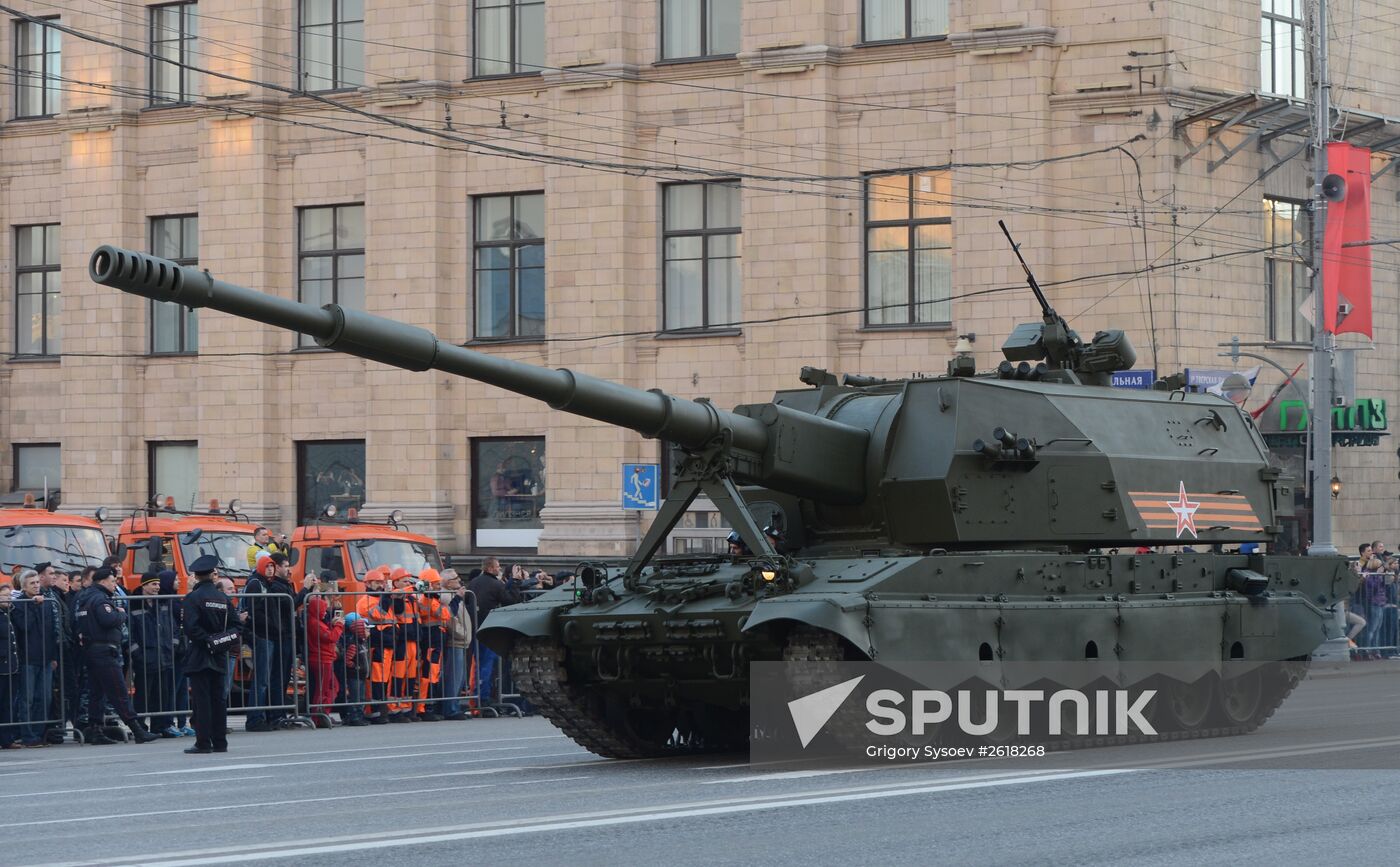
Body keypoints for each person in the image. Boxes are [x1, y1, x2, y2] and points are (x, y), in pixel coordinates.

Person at [73, 568, 159, 745]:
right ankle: (137, 730)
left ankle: (96, 730)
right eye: (113, 581)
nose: (115, 584)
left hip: (93, 651)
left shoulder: (84, 598)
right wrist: (120, 613)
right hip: (104, 652)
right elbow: (108, 620)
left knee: (97, 693)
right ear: (103, 581)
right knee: (119, 691)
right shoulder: (99, 599)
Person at [181, 555, 242, 754]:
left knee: (202, 700)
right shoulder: (223, 598)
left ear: (196, 576)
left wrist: (208, 642)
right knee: (218, 699)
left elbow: (191, 628)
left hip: (200, 654)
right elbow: (236, 627)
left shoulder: (193, 598)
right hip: (219, 655)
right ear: (212, 575)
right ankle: (220, 742)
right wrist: (219, 642)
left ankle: (203, 742)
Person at [241, 553, 296, 731]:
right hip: (263, 635)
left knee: (267, 679)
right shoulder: (256, 583)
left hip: (270, 635)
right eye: (268, 566)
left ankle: (263, 716)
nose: (271, 569)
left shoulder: (266, 583)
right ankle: (255, 718)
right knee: (262, 680)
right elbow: (255, 611)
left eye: (272, 566)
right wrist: (273, 626)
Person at [467, 558, 525, 709]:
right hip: (489, 629)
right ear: (490, 568)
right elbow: (511, 600)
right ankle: (483, 698)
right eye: (498, 567)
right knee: (486, 665)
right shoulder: (495, 584)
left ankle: (477, 697)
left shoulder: (473, 583)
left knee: (477, 665)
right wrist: (516, 582)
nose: (499, 569)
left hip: (474, 628)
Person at [10, 570, 59, 747]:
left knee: (44, 697)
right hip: (27, 659)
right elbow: (25, 626)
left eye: (38, 582)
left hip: (45, 657)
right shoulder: (19, 604)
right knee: (27, 699)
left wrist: (53, 656)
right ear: (24, 586)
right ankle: (27, 734)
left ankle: (38, 734)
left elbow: (52, 631)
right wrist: (33, 605)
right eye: (33, 583)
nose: (37, 586)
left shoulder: (46, 603)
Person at [129, 572, 179, 737]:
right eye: (153, 584)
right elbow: (129, 634)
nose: (157, 587)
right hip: (145, 658)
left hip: (164, 655)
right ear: (144, 586)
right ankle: (140, 727)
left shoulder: (163, 602)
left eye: (158, 584)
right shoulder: (134, 604)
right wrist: (138, 654)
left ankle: (160, 726)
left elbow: (172, 626)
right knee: (143, 696)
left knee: (162, 695)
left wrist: (172, 646)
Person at [304, 594, 343, 728]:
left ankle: (323, 713)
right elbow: (331, 637)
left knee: (331, 687)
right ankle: (318, 716)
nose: (325, 612)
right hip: (322, 659)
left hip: (324, 658)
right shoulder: (315, 623)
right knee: (322, 689)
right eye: (324, 609)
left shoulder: (315, 621)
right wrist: (338, 626)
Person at [440, 569, 472, 720]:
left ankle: (454, 706)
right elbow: (451, 620)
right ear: (447, 582)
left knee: (458, 678)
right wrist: (462, 633)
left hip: (460, 641)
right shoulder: (446, 596)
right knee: (454, 677)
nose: (459, 580)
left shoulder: (452, 595)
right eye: (455, 578)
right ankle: (451, 708)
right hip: (456, 641)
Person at [0, 592, 18, 749]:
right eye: (4, 596)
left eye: (9, 595)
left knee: (7, 703)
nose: (8, 598)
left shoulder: (11, 612)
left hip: (10, 666)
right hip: (2, 663)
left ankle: (6, 739)